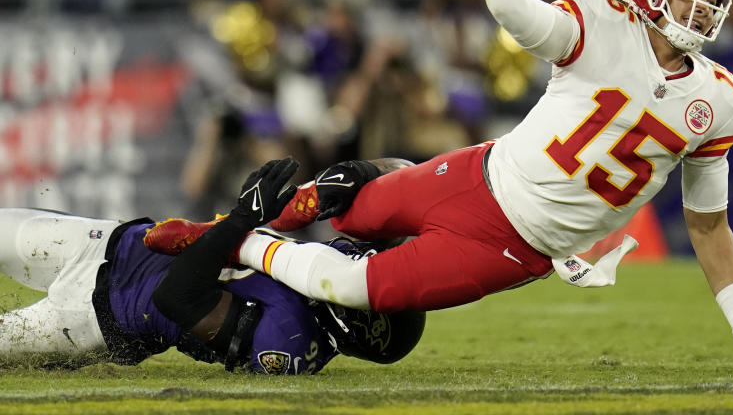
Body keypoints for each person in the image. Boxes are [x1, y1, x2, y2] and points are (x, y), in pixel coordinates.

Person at [150, 0, 733, 378]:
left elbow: (709, 224)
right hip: (478, 171)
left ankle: (235, 246)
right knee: (347, 206)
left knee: (350, 286)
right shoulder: (600, 22)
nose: (700, 10)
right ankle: (209, 233)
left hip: (512, 244)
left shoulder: (722, 99)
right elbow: (511, 8)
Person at [0, 158, 425, 373]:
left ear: (361, 317)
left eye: (368, 276)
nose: (354, 257)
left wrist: (243, 218)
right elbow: (405, 176)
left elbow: (175, 297)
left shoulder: (289, 339)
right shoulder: (318, 289)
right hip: (112, 242)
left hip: (97, 317)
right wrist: (360, 171)